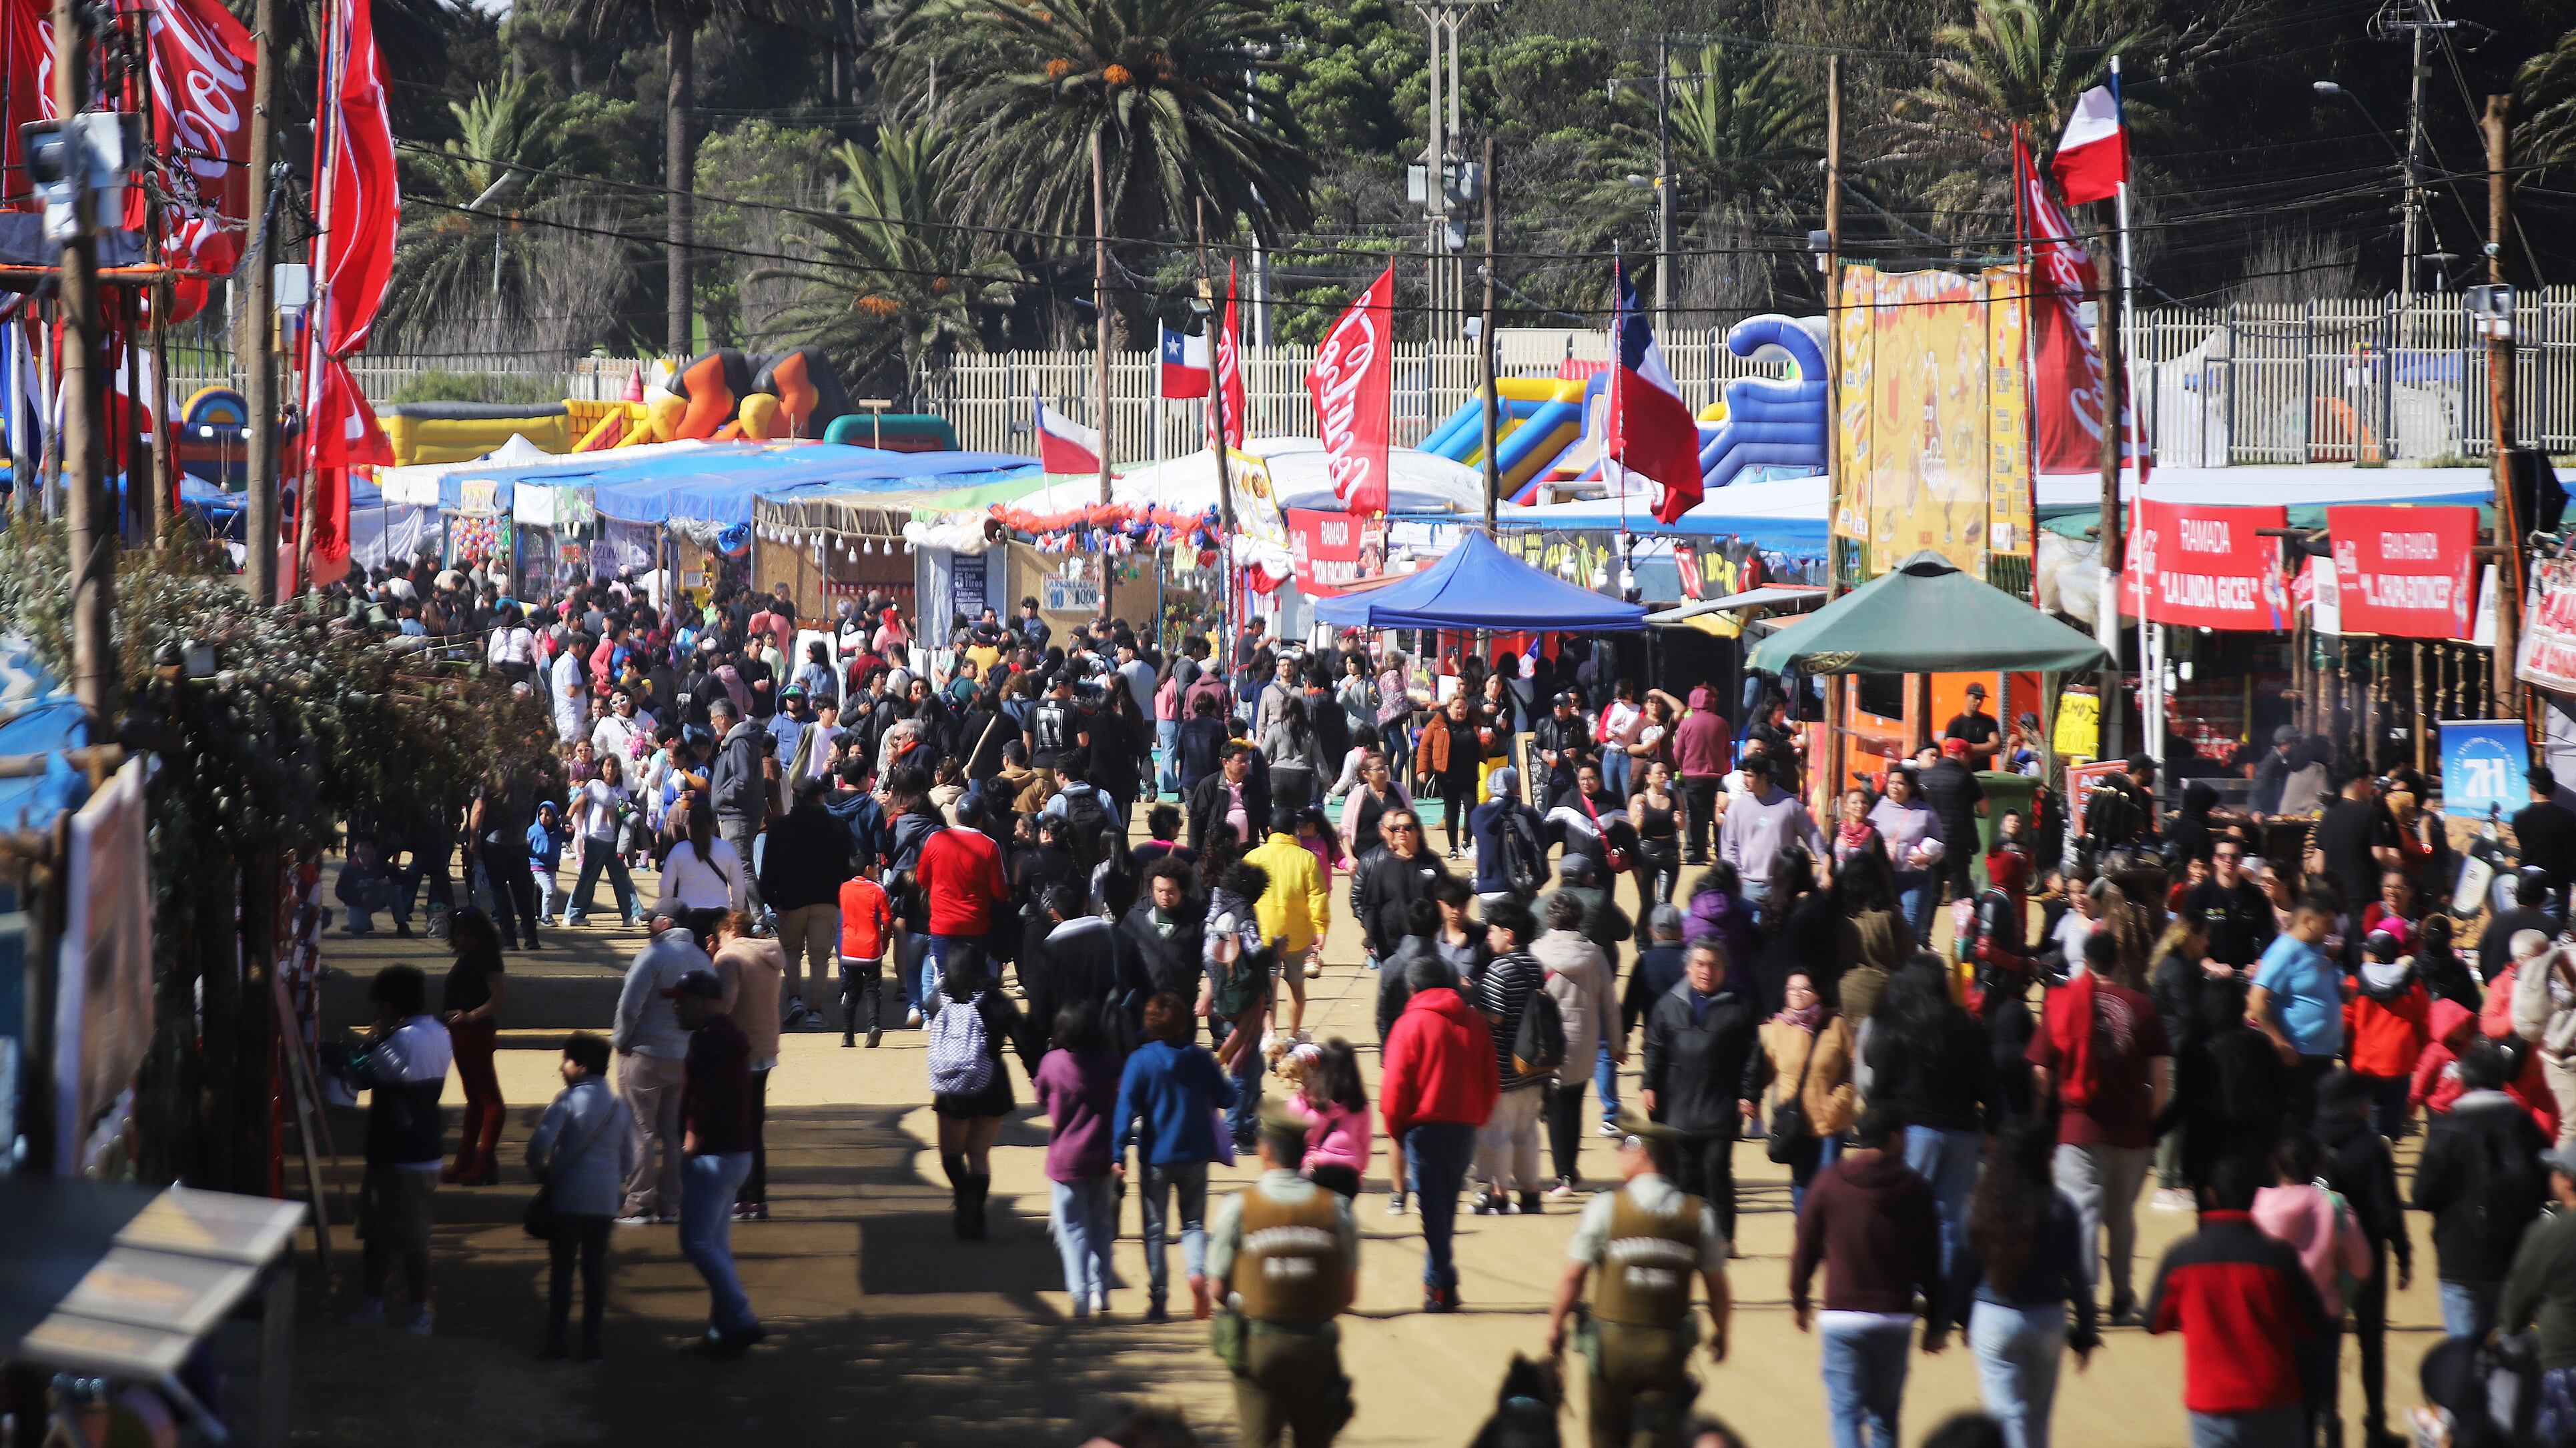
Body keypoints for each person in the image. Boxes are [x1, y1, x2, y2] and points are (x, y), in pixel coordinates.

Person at [1545, 1113, 1733, 1448]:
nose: (1620, 1153)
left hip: (1610, 1350)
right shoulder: (1698, 1214)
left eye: (1624, 1147)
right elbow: (1717, 1286)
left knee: (1605, 1437)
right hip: (1665, 1351)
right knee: (1657, 1438)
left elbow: (1574, 1275)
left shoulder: (1606, 1208)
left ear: (1642, 1155)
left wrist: (1555, 1325)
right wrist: (1722, 1333)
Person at [2027, 930, 2171, 1327]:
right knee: (2121, 1217)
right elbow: (2160, 1077)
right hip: (2131, 1131)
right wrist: (2152, 1123)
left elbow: (2040, 1073)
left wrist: (2041, 1120)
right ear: (2119, 962)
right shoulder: (2142, 1006)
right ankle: (2123, 1298)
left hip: (2078, 1128)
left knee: (2083, 1212)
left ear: (2086, 963)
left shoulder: (2062, 1004)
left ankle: (2084, 1298)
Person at [1933, 1119, 2097, 1448]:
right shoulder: (2060, 1208)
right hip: (2048, 1319)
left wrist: (1946, 1322)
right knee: (2038, 1420)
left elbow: (1961, 1273)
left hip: (1994, 1319)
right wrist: (2086, 1334)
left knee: (2008, 1419)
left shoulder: (1980, 1206)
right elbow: (2078, 1277)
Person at [1207, 1103, 1360, 1448]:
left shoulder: (1239, 1207)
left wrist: (1252, 1299)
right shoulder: (1336, 1209)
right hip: (1317, 1347)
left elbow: (1217, 1287)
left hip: (1258, 1346)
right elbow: (1348, 1294)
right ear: (1302, 1152)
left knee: (1258, 1440)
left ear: (1264, 1151)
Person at [1791, 1108, 1947, 1448]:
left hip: (1841, 1318)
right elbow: (1932, 1260)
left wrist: (1799, 1299)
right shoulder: (1915, 1188)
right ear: (1893, 1139)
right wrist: (1936, 1321)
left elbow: (1806, 1246)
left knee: (1846, 1413)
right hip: (1894, 1319)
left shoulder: (1829, 1181)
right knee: (1885, 1418)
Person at [2145, 1155, 2324, 1448]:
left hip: (2210, 1406)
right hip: (2274, 1401)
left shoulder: (2182, 1256)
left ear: (2210, 1196)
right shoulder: (2278, 1256)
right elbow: (2311, 1323)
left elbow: (2154, 1322)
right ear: (2257, 1196)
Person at [1381, 950, 1500, 1311]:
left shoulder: (1408, 1025)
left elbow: (1394, 1087)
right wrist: (1478, 1115)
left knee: (1433, 1210)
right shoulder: (1474, 1021)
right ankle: (1440, 1285)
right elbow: (1489, 1077)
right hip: (1463, 1127)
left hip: (1423, 1130)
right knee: (1444, 1208)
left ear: (1413, 987)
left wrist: (1395, 1128)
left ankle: (1440, 1280)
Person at [2414, 1038, 2551, 1341]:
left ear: (2462, 1081)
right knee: (2508, 1362)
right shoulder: (2525, 1126)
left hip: (2458, 1259)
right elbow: (2547, 1186)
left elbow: (2421, 1195)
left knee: (2465, 1362)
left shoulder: (2445, 1130)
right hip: (2513, 1260)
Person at [1116, 992, 1238, 1322]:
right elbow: (1227, 1097)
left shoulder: (1140, 1060)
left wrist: (1117, 1152)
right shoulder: (1199, 1058)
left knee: (1155, 1229)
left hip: (1155, 1155)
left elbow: (1124, 1110)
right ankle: (1196, 1273)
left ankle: (1158, 1299)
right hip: (1196, 1152)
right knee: (1194, 1223)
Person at [1871, 957, 1992, 1279]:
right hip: (1964, 1133)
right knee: (1951, 1219)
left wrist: (1879, 1131)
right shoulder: (1968, 1025)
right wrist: (1994, 1126)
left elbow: (1880, 1085)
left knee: (1907, 1211)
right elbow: (1988, 1082)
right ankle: (1945, 1293)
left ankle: (1908, 1285)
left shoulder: (1897, 1027)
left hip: (1915, 1133)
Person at [346, 965, 452, 1334]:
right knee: (410, 1236)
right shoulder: (439, 1032)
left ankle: (402, 1307)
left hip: (397, 1148)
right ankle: (412, 1308)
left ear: (389, 1005)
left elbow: (360, 1073)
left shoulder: (401, 1040)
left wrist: (373, 1037)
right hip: (424, 1147)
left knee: (388, 1236)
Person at [2250, 1131, 2373, 1448]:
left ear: (2274, 1165)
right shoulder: (2334, 1205)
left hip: (2268, 1321)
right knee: (2311, 1409)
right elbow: (2362, 1266)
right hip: (2321, 1319)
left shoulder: (2256, 1207)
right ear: (2318, 1165)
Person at [667, 966, 764, 1355]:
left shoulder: (709, 1042)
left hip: (714, 1155)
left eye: (683, 1000)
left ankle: (740, 1318)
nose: (676, 1007)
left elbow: (706, 1100)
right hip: (734, 1153)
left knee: (696, 1242)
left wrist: (691, 1142)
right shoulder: (723, 1038)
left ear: (706, 1003)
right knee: (715, 1245)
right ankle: (722, 1331)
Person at [1642, 936, 1761, 1245]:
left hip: (1721, 1102)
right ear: (1688, 968)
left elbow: (1753, 1055)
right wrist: (1648, 1084)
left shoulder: (1741, 1005)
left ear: (1724, 970)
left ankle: (1723, 1238)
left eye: (1714, 965)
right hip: (1677, 1103)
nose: (1706, 971)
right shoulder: (1668, 1004)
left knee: (1716, 1171)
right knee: (1684, 1175)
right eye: (1700, 964)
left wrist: (1749, 1094)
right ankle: (1687, 1235)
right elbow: (1654, 1048)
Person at [525, 1032, 635, 1361]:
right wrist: (612, 1183)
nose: (562, 1067)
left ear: (582, 1067)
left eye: (567, 1060)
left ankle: (557, 1344)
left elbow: (539, 1147)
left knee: (562, 1273)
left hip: (567, 1201)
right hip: (603, 1205)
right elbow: (630, 1159)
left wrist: (541, 1173)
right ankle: (592, 1346)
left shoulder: (567, 1100)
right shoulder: (619, 1106)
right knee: (594, 1273)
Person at [611, 907, 713, 1222]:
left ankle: (639, 1201)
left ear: (666, 922)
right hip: (685, 1056)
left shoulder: (652, 956)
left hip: (645, 1052)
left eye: (651, 921)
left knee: (640, 1130)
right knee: (672, 1133)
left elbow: (629, 1006)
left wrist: (620, 1041)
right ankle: (672, 1203)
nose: (648, 927)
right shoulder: (702, 959)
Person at [1033, 999, 1124, 1319]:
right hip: (1102, 1156)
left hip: (1065, 1160)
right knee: (1101, 1223)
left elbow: (1041, 1096)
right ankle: (1102, 1291)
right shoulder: (1112, 1061)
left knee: (1072, 1230)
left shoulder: (1052, 1063)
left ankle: (1080, 1295)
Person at [927, 944, 1022, 1240]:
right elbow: (1025, 1038)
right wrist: (1038, 1073)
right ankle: (977, 1212)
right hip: (992, 1084)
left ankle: (964, 1194)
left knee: (951, 1155)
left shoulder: (939, 1002)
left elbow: (930, 1005)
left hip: (954, 1087)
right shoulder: (997, 1001)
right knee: (979, 1154)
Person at [1535, 892, 1618, 1199]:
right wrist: (1617, 1043)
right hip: (1585, 1040)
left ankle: (1562, 1174)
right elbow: (1610, 1004)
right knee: (1574, 1104)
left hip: (1548, 1042)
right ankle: (1571, 1169)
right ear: (1580, 919)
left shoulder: (1536, 953)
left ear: (1550, 919)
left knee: (1554, 1108)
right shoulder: (1595, 955)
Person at [1471, 898, 1551, 1215]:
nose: (1488, 936)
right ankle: (1531, 1195)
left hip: (1503, 1066)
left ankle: (1500, 1195)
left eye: (1492, 930)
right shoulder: (1535, 966)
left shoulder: (1498, 970)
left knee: (1497, 1134)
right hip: (1534, 1065)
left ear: (1509, 934)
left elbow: (1493, 1018)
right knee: (1527, 1132)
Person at [1755, 970, 1857, 1212]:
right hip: (1796, 1121)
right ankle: (1806, 1239)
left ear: (1818, 993)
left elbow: (1856, 1067)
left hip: (1830, 1119)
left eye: (1805, 989)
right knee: (1802, 1184)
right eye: (1791, 989)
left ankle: (1828, 1240)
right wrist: (1749, 1095)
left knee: (1830, 1183)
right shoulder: (1775, 1029)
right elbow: (1763, 1073)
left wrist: (1841, 1099)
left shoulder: (1837, 1025)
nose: (1797, 994)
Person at [760, 775, 854, 1028]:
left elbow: (768, 868)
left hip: (790, 901)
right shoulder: (838, 826)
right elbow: (849, 866)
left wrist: (771, 898)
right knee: (820, 958)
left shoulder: (781, 827)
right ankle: (815, 1011)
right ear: (820, 797)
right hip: (827, 899)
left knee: (791, 952)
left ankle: (795, 998)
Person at [2501, 1143, 2576, 1448]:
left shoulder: (2550, 1234)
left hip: (2564, 1362)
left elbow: (2517, 1301)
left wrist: (2511, 1328)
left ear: (2568, 1180)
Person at [709, 911, 783, 1221]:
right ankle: (758, 1197)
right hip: (766, 1048)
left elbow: (723, 1004)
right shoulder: (769, 955)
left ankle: (739, 1197)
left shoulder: (730, 958)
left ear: (728, 931)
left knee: (733, 1128)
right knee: (754, 1127)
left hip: (738, 1051)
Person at [2248, 892, 2343, 1121]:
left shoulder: (2319, 950)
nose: (2332, 929)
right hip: (2298, 1057)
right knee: (2298, 1123)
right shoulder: (2285, 952)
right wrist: (2278, 1041)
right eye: (2327, 922)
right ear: (2308, 922)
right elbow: (2257, 998)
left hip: (2323, 1055)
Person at [917, 794, 1012, 1011]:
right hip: (977, 925)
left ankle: (944, 1024)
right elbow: (1000, 892)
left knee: (944, 979)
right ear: (981, 818)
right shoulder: (990, 846)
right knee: (975, 981)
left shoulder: (935, 839)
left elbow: (922, 879)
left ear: (957, 815)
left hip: (943, 925)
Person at [438, 908, 509, 1186]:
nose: (462, 938)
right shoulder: (470, 957)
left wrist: (471, 1016)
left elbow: (500, 997)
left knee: (488, 1100)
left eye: (468, 933)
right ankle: (468, 1161)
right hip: (462, 1034)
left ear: (480, 935)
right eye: (458, 933)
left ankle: (481, 1162)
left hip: (476, 1033)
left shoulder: (487, 957)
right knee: (475, 1101)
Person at [1248, 806, 1330, 1033]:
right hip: (1297, 933)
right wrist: (1320, 927)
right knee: (1296, 986)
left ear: (1269, 830)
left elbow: (1242, 896)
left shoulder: (1253, 857)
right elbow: (1317, 896)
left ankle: (1270, 1033)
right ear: (1295, 831)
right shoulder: (1307, 859)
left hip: (1264, 931)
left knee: (1268, 987)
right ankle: (1293, 1034)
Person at [1716, 754, 1825, 905]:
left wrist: (1826, 867)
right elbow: (1729, 846)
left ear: (1764, 777)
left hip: (1783, 886)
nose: (1744, 780)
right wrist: (1736, 877)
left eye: (1750, 776)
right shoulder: (1737, 807)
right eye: (1744, 775)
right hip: (1747, 887)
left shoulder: (1790, 805)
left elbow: (1813, 837)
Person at [2516, 935, 2576, 1152]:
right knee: (2572, 1127)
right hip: (2562, 1058)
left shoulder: (2561, 955)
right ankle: (2564, 1181)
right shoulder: (2563, 957)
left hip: (2555, 1052)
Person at [1294, 1038, 1372, 1200]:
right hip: (1348, 1172)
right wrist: (1359, 1174)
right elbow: (1364, 1144)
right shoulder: (1360, 1105)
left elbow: (1294, 1134)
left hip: (1315, 1168)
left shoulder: (1310, 1100)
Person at [1917, 740, 1988, 904]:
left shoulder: (1924, 776)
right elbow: (1985, 808)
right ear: (1963, 755)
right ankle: (1963, 929)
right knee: (1961, 895)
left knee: (1931, 893)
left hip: (1929, 843)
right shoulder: (1965, 778)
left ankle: (1923, 929)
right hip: (1957, 844)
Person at [837, 864, 893, 1048]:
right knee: (872, 991)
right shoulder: (877, 890)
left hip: (850, 948)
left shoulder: (844, 888)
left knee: (851, 992)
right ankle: (873, 1025)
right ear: (867, 868)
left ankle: (848, 1035)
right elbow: (887, 920)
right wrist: (885, 943)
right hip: (870, 948)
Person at [1944, 682, 2001, 768]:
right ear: (1966, 696)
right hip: (1961, 771)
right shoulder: (1955, 723)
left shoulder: (1989, 721)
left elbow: (1996, 746)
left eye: (1981, 699)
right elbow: (1952, 749)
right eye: (1976, 698)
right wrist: (1984, 750)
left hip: (1984, 773)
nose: (1978, 702)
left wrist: (1967, 747)